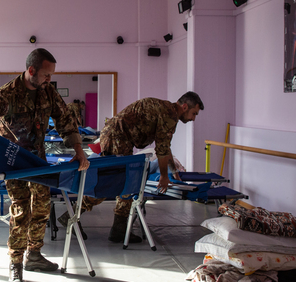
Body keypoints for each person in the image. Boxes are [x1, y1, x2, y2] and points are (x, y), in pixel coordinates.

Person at [0, 48, 89, 282]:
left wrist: (79, 150)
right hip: (13, 162)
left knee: (43, 209)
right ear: (31, 70)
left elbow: (65, 119)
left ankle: (34, 255)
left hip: (37, 161)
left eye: (51, 76)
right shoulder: (8, 93)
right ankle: (16, 263)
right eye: (46, 75)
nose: (49, 80)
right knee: (21, 212)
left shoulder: (48, 91)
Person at [60, 92, 204, 243]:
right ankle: (75, 216)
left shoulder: (165, 108)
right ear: (185, 106)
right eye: (194, 113)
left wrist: (173, 171)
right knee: (116, 182)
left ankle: (118, 229)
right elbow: (161, 149)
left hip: (116, 136)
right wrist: (164, 176)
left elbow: (165, 147)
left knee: (125, 183)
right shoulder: (169, 115)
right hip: (118, 138)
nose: (193, 118)